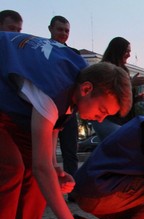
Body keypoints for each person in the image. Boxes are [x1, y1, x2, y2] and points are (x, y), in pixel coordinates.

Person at [0, 32, 132, 219]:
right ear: (86, 89)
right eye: (102, 111)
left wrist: (54, 168)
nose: (101, 120)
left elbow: (50, 137)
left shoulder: (80, 83)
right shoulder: (53, 88)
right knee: (11, 168)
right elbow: (40, 166)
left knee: (42, 174)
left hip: (11, 103)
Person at [92, 37, 144, 139]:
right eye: (126, 51)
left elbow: (122, 99)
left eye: (130, 51)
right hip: (108, 119)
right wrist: (130, 84)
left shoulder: (124, 70)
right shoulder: (105, 69)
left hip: (124, 119)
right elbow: (107, 93)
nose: (129, 54)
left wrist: (136, 98)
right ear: (118, 51)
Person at [49, 16, 79, 179]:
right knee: (47, 151)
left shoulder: (73, 54)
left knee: (70, 150)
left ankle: (73, 188)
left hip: (68, 110)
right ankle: (46, 188)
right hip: (47, 106)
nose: (63, 33)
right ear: (51, 29)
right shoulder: (43, 50)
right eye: (60, 29)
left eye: (66, 30)